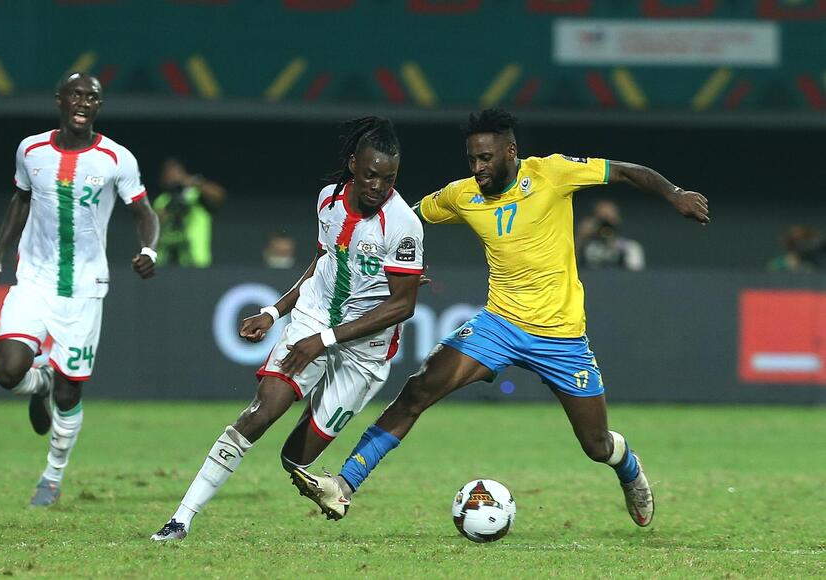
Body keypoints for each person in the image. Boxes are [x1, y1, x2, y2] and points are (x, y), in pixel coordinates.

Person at [291, 108, 709, 528]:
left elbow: (623, 171)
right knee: (418, 390)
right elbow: (406, 219)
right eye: (472, 159)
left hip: (561, 337)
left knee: (597, 445)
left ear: (511, 151)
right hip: (499, 325)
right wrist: (392, 260)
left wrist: (674, 193)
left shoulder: (553, 173)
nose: (477, 168)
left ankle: (629, 469)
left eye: (486, 158)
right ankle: (344, 486)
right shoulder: (462, 194)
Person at [151, 117, 424, 541]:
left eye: (388, 179)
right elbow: (321, 264)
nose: (377, 186)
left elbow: (403, 304)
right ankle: (181, 519)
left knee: (293, 458)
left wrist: (326, 341)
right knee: (262, 411)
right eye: (370, 175)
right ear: (353, 165)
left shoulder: (403, 224)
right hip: (314, 320)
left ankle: (318, 476)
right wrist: (274, 312)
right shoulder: (328, 200)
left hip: (365, 351)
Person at [0, 72, 159, 507]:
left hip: (84, 288)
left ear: (98, 105)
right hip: (34, 279)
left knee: (70, 391)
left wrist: (149, 250)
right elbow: (20, 200)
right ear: (59, 99)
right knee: (8, 372)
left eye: (92, 97)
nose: (83, 102)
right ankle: (37, 384)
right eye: (75, 95)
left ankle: (52, 477)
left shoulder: (117, 158)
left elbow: (145, 212)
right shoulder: (31, 149)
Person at [152, 157, 226, 268]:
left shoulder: (197, 196)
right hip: (165, 263)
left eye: (176, 175)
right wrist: (170, 209)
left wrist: (194, 182)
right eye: (169, 176)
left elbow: (219, 196)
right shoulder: (161, 201)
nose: (173, 179)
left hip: (195, 262)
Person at [576, 200, 645, 271]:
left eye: (610, 219)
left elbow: (636, 276)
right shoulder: (586, 247)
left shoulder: (630, 247)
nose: (606, 225)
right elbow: (570, 267)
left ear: (618, 220)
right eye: (602, 219)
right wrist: (581, 237)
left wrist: (611, 243)